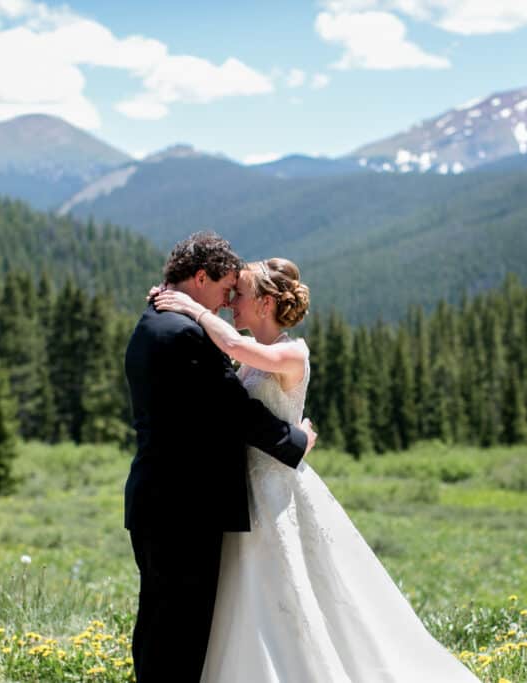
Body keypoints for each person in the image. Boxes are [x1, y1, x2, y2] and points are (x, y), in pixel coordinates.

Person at [153, 257, 481, 682]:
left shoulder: (290, 353)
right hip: (246, 494)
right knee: (250, 597)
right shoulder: (255, 359)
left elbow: (232, 345)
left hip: (276, 492)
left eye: (241, 294)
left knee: (294, 590)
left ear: (266, 303)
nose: (232, 302)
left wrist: (192, 308)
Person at [123, 233, 318, 683]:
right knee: (181, 632)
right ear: (199, 277)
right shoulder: (185, 333)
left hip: (160, 499)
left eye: (238, 293)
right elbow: (232, 409)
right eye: (226, 287)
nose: (229, 300)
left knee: (159, 623)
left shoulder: (155, 320)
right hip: (185, 507)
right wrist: (295, 440)